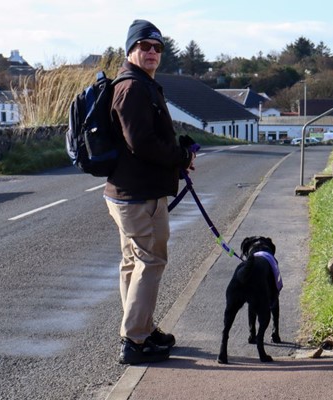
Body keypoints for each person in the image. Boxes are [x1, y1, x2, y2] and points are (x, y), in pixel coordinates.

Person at [104, 19, 195, 365]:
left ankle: (139, 327)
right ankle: (135, 341)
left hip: (132, 193)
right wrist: (181, 157)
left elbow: (148, 138)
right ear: (130, 50)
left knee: (133, 262)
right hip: (138, 195)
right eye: (145, 46)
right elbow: (141, 143)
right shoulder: (133, 88)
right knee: (149, 261)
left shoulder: (142, 84)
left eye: (158, 47)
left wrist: (179, 152)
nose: (152, 52)